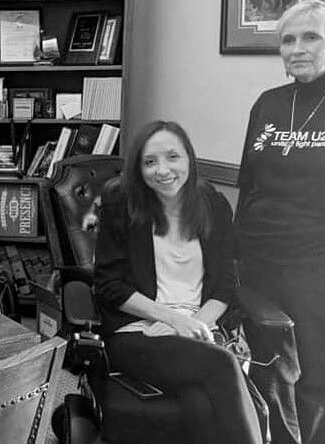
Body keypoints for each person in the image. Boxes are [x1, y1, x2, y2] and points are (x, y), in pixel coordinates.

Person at [94, 120, 262, 444]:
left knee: (199, 404)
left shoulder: (213, 205)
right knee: (221, 366)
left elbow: (226, 286)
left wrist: (191, 325)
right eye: (150, 162)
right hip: (139, 333)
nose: (163, 170)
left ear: (189, 159)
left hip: (200, 329)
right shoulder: (121, 204)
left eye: (173, 157)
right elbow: (108, 285)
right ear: (138, 169)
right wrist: (170, 319)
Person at [236, 0, 325, 444]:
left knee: (323, 382)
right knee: (272, 375)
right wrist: (236, 253)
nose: (297, 48)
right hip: (260, 264)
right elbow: (248, 184)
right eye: (288, 39)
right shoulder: (268, 104)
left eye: (311, 37)